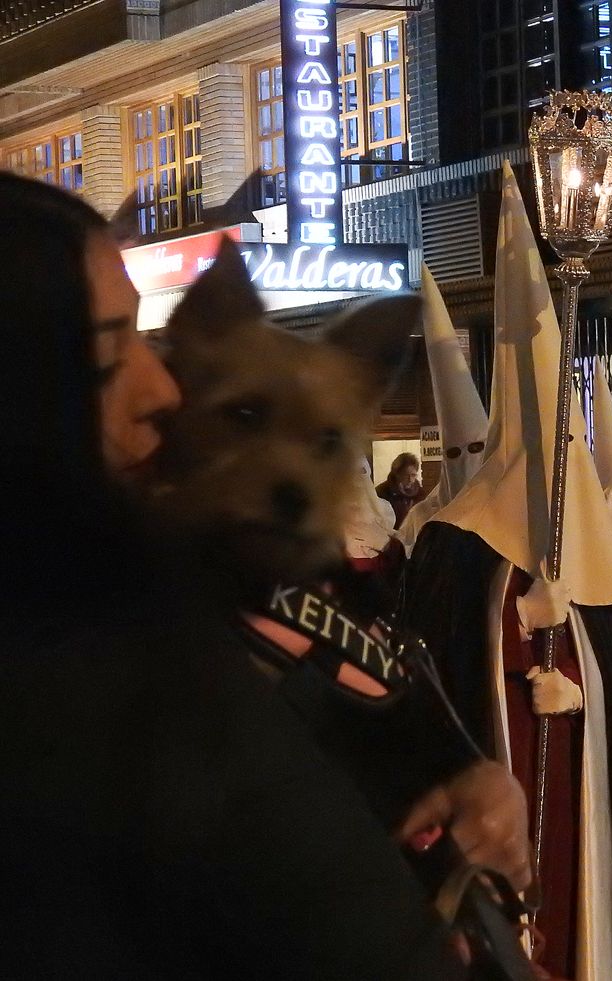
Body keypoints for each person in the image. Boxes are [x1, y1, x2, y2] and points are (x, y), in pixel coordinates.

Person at [0, 173, 524, 980]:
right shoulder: (113, 661)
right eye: (110, 352)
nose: (165, 388)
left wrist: (474, 778)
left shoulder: (222, 603)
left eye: (150, 337)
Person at [400, 167, 612, 981]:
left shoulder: (578, 517)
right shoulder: (455, 538)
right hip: (503, 785)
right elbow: (438, 671)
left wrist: (581, 677)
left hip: (577, 781)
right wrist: (515, 631)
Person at [397, 268, 489, 554]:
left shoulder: (514, 509)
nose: (465, 459)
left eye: (477, 448)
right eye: (453, 453)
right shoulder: (422, 518)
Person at [377, 452, 426, 528]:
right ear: (397, 474)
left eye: (413, 475)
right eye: (406, 475)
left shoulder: (421, 493)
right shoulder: (381, 493)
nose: (410, 480)